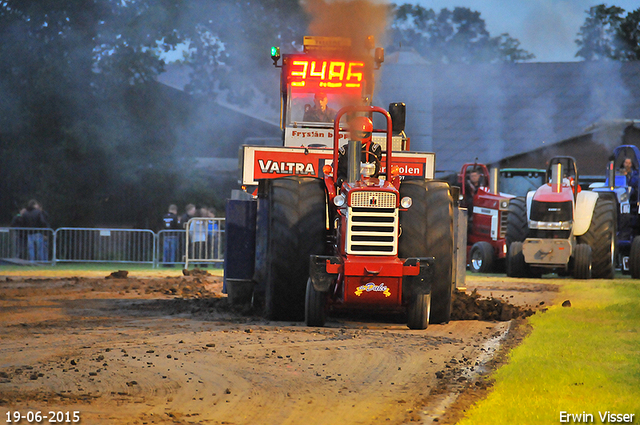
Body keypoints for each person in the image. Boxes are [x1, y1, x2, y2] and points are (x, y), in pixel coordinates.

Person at [336, 116, 382, 187]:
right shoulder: (344, 150)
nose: (361, 135)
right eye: (359, 133)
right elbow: (341, 169)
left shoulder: (374, 148)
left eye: (363, 133)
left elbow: (375, 168)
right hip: (348, 180)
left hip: (369, 180)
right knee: (340, 181)